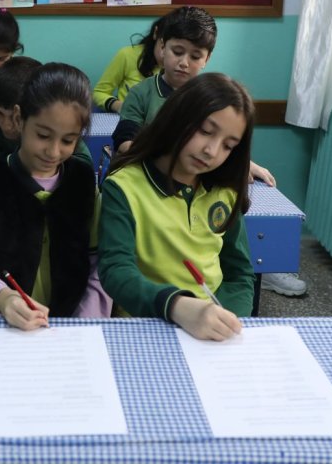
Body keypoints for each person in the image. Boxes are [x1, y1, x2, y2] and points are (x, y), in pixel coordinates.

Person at [107, 9, 297, 296]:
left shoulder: (220, 106)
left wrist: (242, 162)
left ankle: (269, 266)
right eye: (178, 52)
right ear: (161, 47)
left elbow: (238, 276)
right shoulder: (143, 95)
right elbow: (125, 141)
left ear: (207, 59)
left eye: (195, 56)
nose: (184, 63)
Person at [0, 63, 111, 330]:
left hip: (70, 328)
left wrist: (84, 323)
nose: (53, 151)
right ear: (19, 118)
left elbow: (100, 267)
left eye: (68, 140)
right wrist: (3, 298)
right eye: (43, 135)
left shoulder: (84, 184)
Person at [99, 74, 256, 341]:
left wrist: (230, 319)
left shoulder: (224, 190)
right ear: (177, 117)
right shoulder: (125, 187)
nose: (211, 150)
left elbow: (239, 273)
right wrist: (177, 306)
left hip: (211, 329)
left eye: (228, 146)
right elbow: (116, 271)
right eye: (205, 131)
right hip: (146, 325)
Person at [93, 15, 164, 113]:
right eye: (177, 51)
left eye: (193, 56)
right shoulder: (127, 55)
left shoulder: (185, 67)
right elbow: (99, 92)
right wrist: (120, 106)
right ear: (156, 33)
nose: (167, 54)